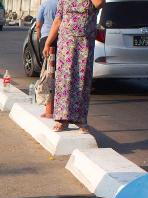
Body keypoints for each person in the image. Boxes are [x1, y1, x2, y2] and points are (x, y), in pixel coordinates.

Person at [43, 0, 105, 132]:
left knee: (82, 82)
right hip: (66, 45)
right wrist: (48, 42)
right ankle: (61, 120)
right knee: (64, 83)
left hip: (84, 45)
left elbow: (99, 3)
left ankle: (80, 120)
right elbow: (58, 20)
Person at [35, 0, 57, 118]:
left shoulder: (44, 4)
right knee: (57, 69)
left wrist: (39, 39)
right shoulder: (62, 3)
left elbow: (38, 25)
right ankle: (57, 100)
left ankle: (48, 106)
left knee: (48, 71)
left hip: (46, 38)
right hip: (60, 37)